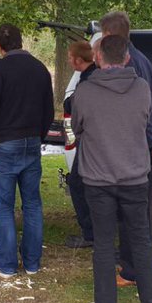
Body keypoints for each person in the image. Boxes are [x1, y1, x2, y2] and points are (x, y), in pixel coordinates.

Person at [71, 35, 152, 303]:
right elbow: (146, 122)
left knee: (103, 244)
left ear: (98, 58)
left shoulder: (84, 92)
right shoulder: (142, 89)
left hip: (99, 178)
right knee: (141, 241)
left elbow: (78, 127)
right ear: (125, 58)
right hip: (135, 175)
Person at [0, 23, 54, 278]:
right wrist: (38, 135)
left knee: (4, 205)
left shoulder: (0, 71)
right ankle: (32, 263)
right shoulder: (40, 68)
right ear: (21, 41)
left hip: (5, 144)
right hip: (31, 141)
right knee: (32, 204)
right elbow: (48, 111)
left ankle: (7, 264)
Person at [99, 11, 152, 287]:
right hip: (142, 145)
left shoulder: (131, 67)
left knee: (131, 214)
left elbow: (136, 115)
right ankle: (127, 261)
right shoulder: (146, 62)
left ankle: (130, 271)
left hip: (132, 149)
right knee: (131, 212)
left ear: (110, 35)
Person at [63, 39, 98, 249]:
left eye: (69, 57)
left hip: (89, 139)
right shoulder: (90, 75)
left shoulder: (89, 79)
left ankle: (90, 233)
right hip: (94, 139)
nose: (68, 61)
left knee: (77, 183)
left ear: (77, 59)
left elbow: (73, 104)